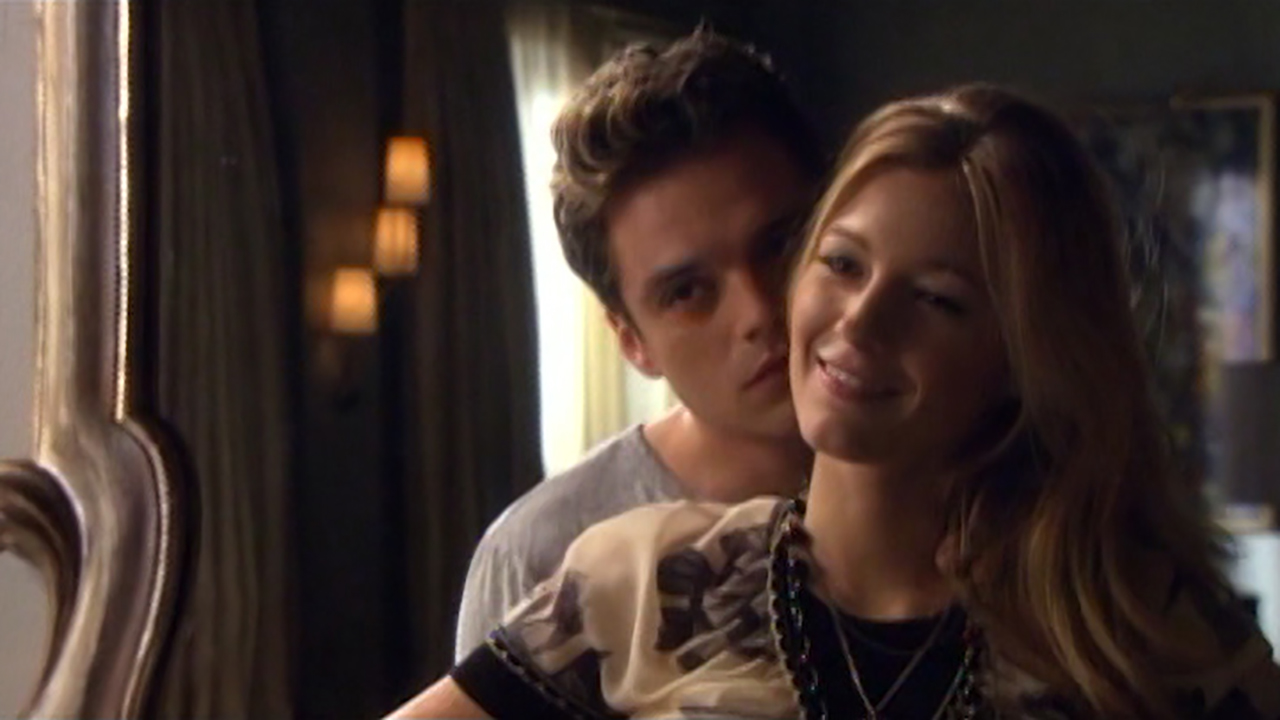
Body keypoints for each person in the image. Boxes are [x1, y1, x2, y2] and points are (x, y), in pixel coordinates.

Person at [397, 84, 1280, 719]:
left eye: (936, 298)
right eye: (843, 264)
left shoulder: (1152, 632)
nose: (858, 322)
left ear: (1025, 354)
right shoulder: (636, 584)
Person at [452, 28, 824, 660]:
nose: (761, 311)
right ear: (632, 341)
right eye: (687, 292)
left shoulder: (973, 479)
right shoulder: (545, 553)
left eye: (781, 246)